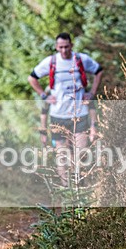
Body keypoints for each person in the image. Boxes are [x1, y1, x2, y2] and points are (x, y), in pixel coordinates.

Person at [28, 32, 103, 186]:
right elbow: (32, 78)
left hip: (80, 114)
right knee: (62, 156)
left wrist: (92, 93)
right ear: (56, 47)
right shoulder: (51, 62)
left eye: (66, 47)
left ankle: (79, 188)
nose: (64, 50)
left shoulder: (81, 59)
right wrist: (44, 95)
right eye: (61, 47)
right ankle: (66, 188)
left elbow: (99, 71)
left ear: (71, 45)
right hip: (58, 116)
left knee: (80, 154)